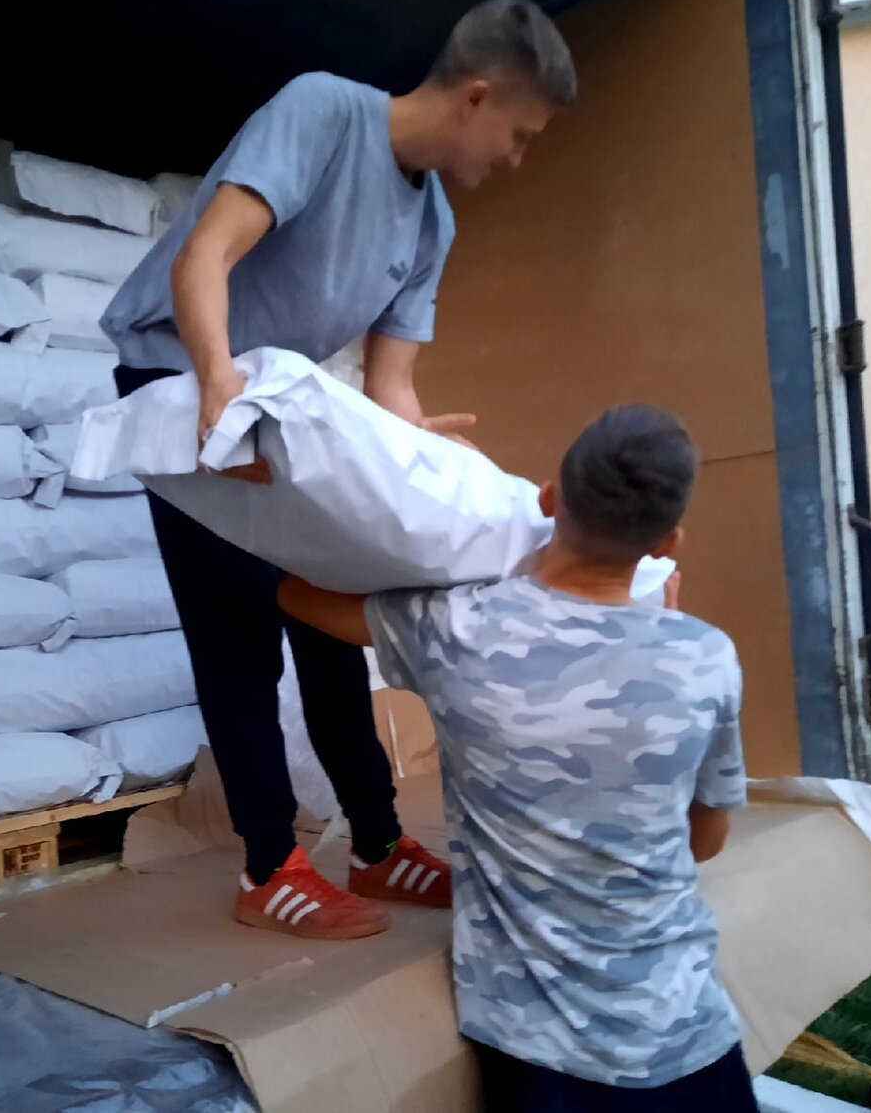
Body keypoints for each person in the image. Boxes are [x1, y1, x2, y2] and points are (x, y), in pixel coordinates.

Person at [102, 0, 578, 940]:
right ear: (477, 97)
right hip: (180, 373)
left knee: (330, 606)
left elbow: (393, 384)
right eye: (520, 136)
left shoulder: (432, 222)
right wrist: (215, 390)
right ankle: (268, 864)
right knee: (239, 614)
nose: (516, 160)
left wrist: (421, 454)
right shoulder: (322, 110)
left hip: (283, 395)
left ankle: (376, 842)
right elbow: (206, 255)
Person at [278, 405, 758, 1111]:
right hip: (686, 1033)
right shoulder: (705, 656)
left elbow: (296, 592)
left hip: (537, 1052)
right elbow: (704, 841)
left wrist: (404, 470)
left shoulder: (456, 628)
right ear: (668, 542)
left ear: (549, 498)